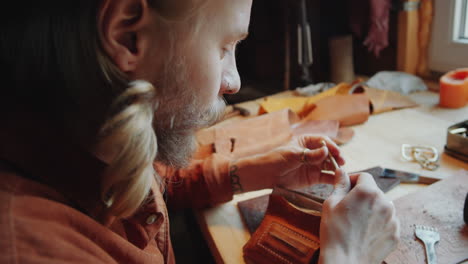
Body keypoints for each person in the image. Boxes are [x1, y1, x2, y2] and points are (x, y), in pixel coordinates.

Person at [0, 0, 399, 263]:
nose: (234, 81)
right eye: (224, 46)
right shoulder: (32, 246)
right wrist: (347, 254)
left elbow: (154, 182)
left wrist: (255, 171)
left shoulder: (91, 134)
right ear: (128, 36)